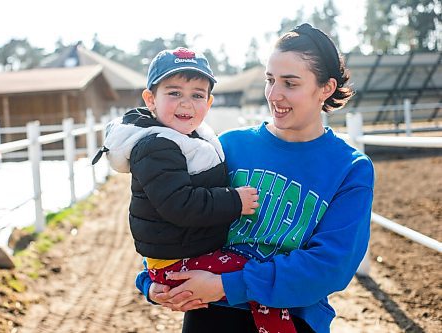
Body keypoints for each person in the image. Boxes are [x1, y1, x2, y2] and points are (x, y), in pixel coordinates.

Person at [136, 24, 375, 333]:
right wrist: (151, 280)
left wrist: (228, 284)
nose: (274, 95)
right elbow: (177, 216)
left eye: (290, 83)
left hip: (294, 317)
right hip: (212, 316)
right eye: (270, 80)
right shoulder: (230, 146)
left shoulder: (350, 168)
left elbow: (330, 266)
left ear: (326, 88)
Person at [93, 47, 297, 332]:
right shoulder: (156, 146)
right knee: (252, 273)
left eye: (197, 95)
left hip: (180, 254)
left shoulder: (188, 139)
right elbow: (180, 204)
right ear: (151, 100)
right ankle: (278, 328)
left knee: (251, 272)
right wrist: (234, 201)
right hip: (177, 261)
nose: (186, 104)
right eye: (174, 93)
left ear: (209, 102)